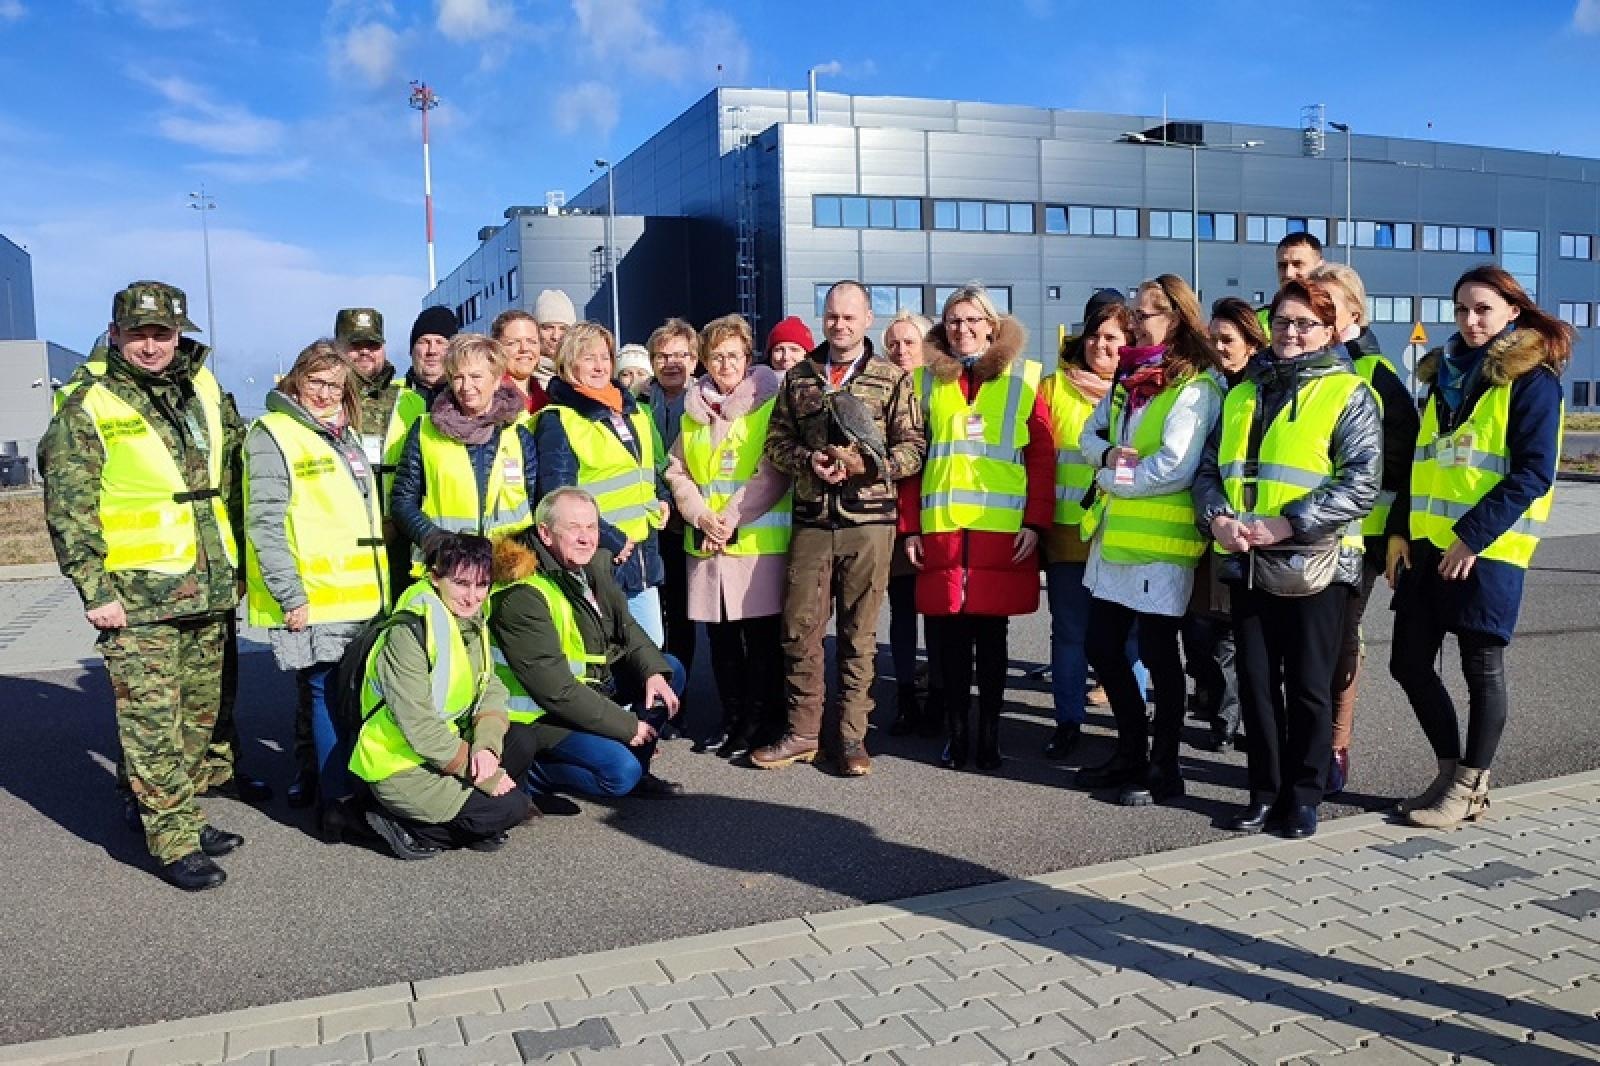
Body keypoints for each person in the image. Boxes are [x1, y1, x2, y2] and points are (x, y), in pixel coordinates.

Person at [40, 281, 247, 891]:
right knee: (152, 723)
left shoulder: (201, 386)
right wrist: (93, 589)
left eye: (162, 333)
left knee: (196, 722)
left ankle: (177, 810)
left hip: (207, 584)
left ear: (179, 333)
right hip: (136, 597)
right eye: (139, 333)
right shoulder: (88, 403)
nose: (151, 345)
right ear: (115, 334)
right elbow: (68, 509)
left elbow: (232, 476)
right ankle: (173, 840)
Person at [1195, 280, 1381, 840]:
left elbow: (1362, 482)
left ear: (1329, 331)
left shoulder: (1349, 393)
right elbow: (1209, 471)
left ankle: (1304, 795)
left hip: (1318, 566)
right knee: (1254, 683)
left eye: (1304, 324)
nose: (1291, 333)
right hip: (1248, 560)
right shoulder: (1241, 394)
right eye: (1282, 323)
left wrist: (1289, 522)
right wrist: (1217, 520)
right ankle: (1263, 791)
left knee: (1307, 686)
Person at [1390, 266, 1569, 828]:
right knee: (1408, 664)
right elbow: (1421, 464)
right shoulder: (1441, 376)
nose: (1470, 320)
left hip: (1485, 550)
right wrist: (1398, 533)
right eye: (1462, 309)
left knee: (1480, 668)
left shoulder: (1533, 380)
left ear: (1512, 311)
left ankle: (1471, 785)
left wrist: (1472, 535)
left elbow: (1534, 472)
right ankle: (1450, 773)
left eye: (1483, 309)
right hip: (1426, 546)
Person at [751, 280, 926, 777]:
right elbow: (777, 443)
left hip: (869, 524)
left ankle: (851, 737)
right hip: (811, 521)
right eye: (832, 316)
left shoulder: (892, 379)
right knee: (799, 630)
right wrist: (811, 460)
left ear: (867, 318)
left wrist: (863, 467)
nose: (839, 325)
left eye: (849, 317)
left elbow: (913, 449)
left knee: (859, 635)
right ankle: (804, 733)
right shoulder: (800, 377)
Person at [1075, 275, 1222, 807]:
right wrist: (1110, 456)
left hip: (1161, 547)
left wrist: (1110, 477)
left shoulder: (1195, 385)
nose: (1134, 322)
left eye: (1147, 314)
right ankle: (1130, 751)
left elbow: (1173, 468)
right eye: (1135, 313)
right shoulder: (1128, 376)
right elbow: (1087, 436)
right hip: (1116, 542)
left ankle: (1164, 767)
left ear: (1178, 319)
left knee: (1161, 658)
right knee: (1102, 648)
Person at [904, 285, 1052, 771]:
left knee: (993, 642)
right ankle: (956, 734)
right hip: (942, 531)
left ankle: (990, 736)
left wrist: (1036, 521)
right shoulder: (925, 382)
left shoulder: (1026, 378)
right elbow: (911, 459)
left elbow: (1042, 455)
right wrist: (909, 528)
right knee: (948, 642)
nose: (962, 329)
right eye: (953, 320)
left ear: (992, 324)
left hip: (1002, 533)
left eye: (972, 320)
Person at [244, 340, 389, 831]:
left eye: (336, 384)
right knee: (327, 695)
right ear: (296, 379)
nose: (326, 392)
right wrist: (290, 594)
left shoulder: (342, 435)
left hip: (362, 594)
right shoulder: (274, 434)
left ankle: (350, 794)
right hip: (317, 595)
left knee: (351, 696)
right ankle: (336, 804)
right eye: (317, 382)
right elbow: (263, 523)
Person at [489, 489, 685, 798]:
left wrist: (653, 673)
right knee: (619, 774)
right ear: (545, 533)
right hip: (539, 714)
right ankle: (531, 775)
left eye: (591, 527)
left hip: (587, 687)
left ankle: (637, 769)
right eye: (574, 528)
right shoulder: (522, 594)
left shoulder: (590, 566)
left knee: (669, 669)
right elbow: (556, 691)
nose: (586, 538)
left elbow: (627, 629)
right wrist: (626, 726)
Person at [350, 534, 538, 857]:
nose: (472, 596)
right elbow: (419, 728)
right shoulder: (409, 633)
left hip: (443, 747)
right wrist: (481, 772)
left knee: (522, 741)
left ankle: (461, 824)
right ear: (435, 578)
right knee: (511, 809)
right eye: (461, 583)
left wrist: (487, 747)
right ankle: (387, 822)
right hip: (400, 763)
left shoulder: (472, 620)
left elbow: (490, 687)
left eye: (482, 585)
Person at [1308, 262, 1419, 794]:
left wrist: (1391, 529)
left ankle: (1334, 744)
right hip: (1293, 532)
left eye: (1329, 304)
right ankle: (1302, 739)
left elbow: (1400, 463)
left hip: (1356, 538)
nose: (1320, 313)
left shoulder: (1377, 378)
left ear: (1353, 310)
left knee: (1339, 643)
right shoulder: (1294, 364)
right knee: (1302, 643)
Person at [662, 315, 791, 757]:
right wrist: (700, 515)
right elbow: (676, 469)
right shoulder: (694, 409)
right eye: (716, 356)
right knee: (720, 642)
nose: (725, 364)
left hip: (754, 544)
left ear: (747, 356)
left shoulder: (768, 404)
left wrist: (729, 518)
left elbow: (772, 473)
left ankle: (757, 722)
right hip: (707, 543)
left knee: (759, 641)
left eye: (733, 355)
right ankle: (731, 717)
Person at [535, 321, 670, 646]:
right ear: (568, 363)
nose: (599, 366)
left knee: (652, 652)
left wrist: (663, 497)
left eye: (604, 357)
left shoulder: (632, 410)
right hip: (598, 560)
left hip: (642, 557)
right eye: (588, 357)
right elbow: (557, 497)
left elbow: (647, 470)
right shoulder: (559, 419)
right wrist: (610, 538)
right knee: (609, 659)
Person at [1040, 296, 1134, 759]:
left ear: (1129, 342)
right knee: (1071, 633)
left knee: (1129, 638)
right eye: (1095, 334)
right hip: (1069, 534)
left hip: (1125, 535)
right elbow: (1037, 461)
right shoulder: (1053, 388)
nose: (1101, 344)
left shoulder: (1144, 390)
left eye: (1112, 336)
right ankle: (1069, 720)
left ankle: (1131, 725)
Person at [1184, 296, 1269, 754]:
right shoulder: (1208, 385)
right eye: (1213, 339)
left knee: (1229, 637)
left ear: (1252, 344)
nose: (1219, 347)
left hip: (1255, 534)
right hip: (1210, 525)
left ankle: (1228, 722)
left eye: (1228, 340)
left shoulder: (1259, 389)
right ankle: (1218, 707)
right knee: (1202, 633)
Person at [391, 333, 537, 573]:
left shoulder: (519, 432)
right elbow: (403, 501)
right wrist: (436, 542)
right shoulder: (425, 429)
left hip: (506, 568)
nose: (466, 387)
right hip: (445, 567)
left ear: (497, 379)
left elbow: (534, 500)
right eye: (458, 378)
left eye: (476, 377)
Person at [881, 310, 942, 737]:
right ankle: (905, 696)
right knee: (902, 612)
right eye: (894, 344)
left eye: (909, 342)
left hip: (933, 517)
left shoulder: (941, 391)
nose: (901, 351)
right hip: (892, 521)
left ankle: (938, 694)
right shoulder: (882, 389)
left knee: (936, 615)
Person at [645, 318, 702, 674]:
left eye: (681, 354)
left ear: (695, 360)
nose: (672, 363)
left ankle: (679, 688)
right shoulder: (634, 402)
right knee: (650, 613)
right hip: (648, 521)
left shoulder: (706, 402)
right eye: (663, 355)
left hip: (689, 522)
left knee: (682, 613)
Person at [1259, 232, 1326, 336]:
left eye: (1297, 264)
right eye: (1282, 265)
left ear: (1320, 267)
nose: (1288, 273)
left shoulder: (1336, 316)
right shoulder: (1257, 320)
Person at [491, 309, 550, 416]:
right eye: (512, 343)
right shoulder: (490, 400)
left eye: (531, 341)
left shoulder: (548, 396)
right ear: (496, 348)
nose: (524, 348)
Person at [533, 289, 577, 389]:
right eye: (548, 327)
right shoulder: (522, 378)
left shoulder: (583, 375)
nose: (556, 336)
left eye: (563, 329)